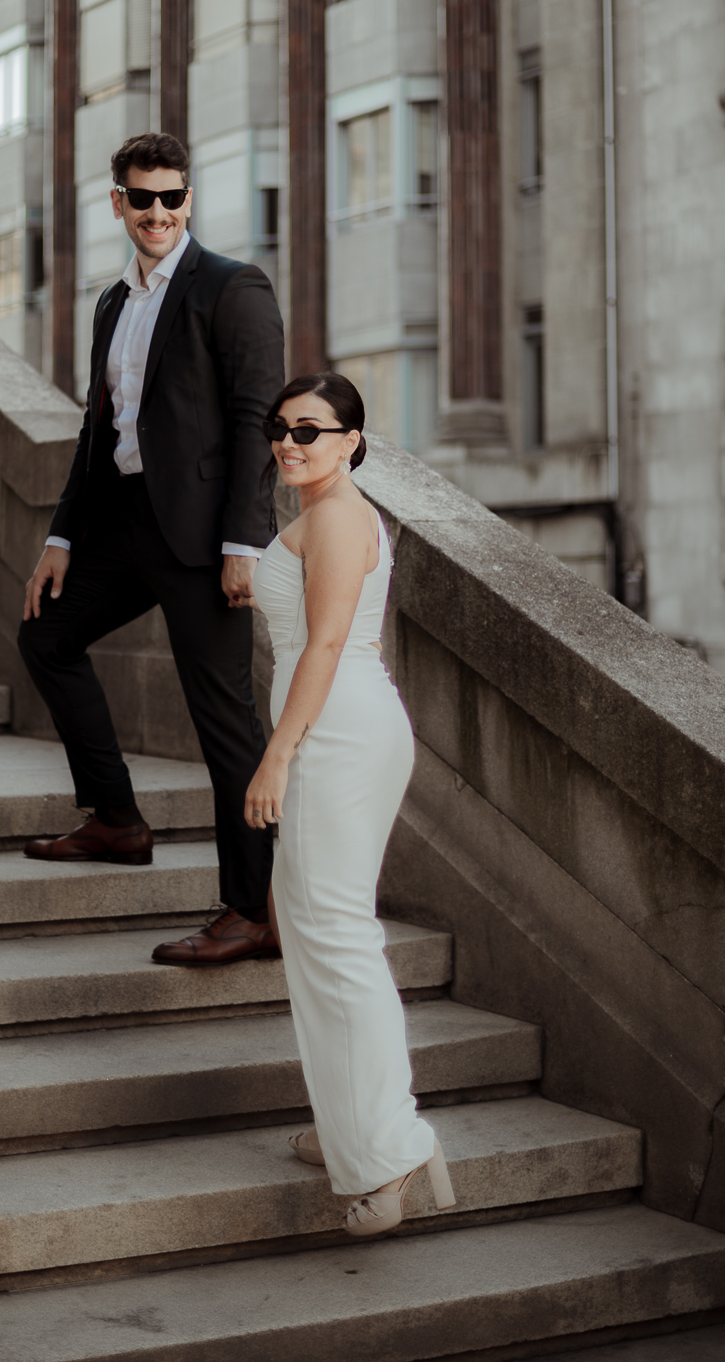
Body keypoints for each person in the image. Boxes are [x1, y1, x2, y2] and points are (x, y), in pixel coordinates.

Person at [18, 131, 285, 967]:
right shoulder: (110, 303)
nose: (160, 212)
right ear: (119, 205)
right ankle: (117, 820)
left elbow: (256, 421)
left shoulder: (230, 287)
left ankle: (251, 911)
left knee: (225, 725)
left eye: (174, 197)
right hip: (123, 523)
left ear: (189, 201)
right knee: (46, 635)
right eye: (144, 199)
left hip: (206, 539)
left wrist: (246, 541)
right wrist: (62, 533)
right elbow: (99, 429)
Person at [245, 372, 456, 1237]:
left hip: (334, 731)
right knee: (315, 931)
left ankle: (390, 1150)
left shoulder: (336, 515)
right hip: (334, 725)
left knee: (337, 936)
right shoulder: (322, 514)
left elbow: (327, 642)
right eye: (280, 428)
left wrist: (277, 756)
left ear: (352, 441)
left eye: (311, 430)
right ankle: (351, 1129)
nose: (290, 443)